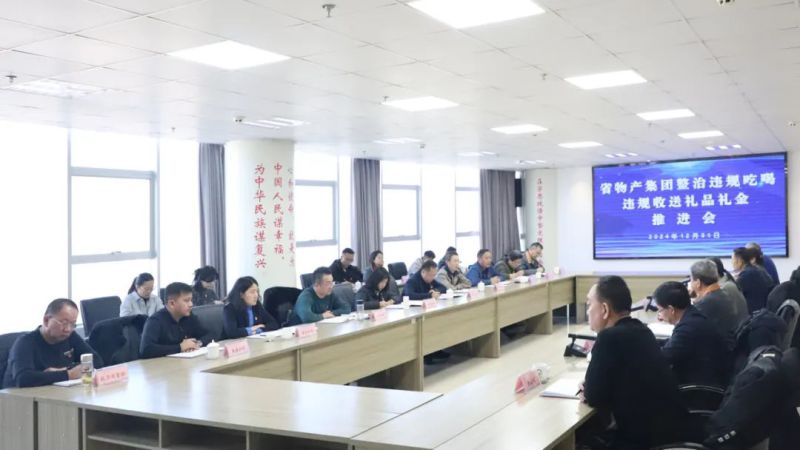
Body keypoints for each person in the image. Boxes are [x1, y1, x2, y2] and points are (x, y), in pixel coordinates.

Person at [579, 276, 689, 449]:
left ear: (605, 309)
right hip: (670, 431)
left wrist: (588, 387)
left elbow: (593, 396)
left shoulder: (609, 337)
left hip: (643, 439)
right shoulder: (642, 330)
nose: (587, 311)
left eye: (589, 304)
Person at [4, 299, 104, 388]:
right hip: (19, 399)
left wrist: (66, 370)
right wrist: (69, 374)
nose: (68, 329)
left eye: (73, 324)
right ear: (46, 320)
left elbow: (97, 361)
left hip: (55, 393)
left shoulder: (70, 336)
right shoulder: (25, 343)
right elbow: (23, 378)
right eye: (64, 323)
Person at [653, 281, 732, 387]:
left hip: (698, 388)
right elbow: (673, 344)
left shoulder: (688, 328)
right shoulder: (692, 315)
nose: (659, 314)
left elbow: (663, 358)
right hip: (709, 378)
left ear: (671, 309)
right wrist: (651, 343)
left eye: (660, 310)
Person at [140, 282, 212, 359]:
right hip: (162, 365)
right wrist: (180, 347)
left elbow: (209, 334)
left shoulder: (189, 316)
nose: (191, 304)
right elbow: (146, 349)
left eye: (191, 300)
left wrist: (197, 343)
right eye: (186, 300)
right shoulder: (155, 321)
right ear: (172, 303)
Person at [690, 259, 748, 346]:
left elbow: (689, 328)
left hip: (717, 350)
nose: (690, 283)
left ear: (698, 283)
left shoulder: (706, 303)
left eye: (691, 279)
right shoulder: (722, 294)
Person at [732, 247, 774, 313]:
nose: (732, 262)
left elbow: (732, 294)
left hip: (752, 314)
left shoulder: (745, 275)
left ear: (740, 261)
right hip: (764, 311)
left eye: (732, 259)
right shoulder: (757, 270)